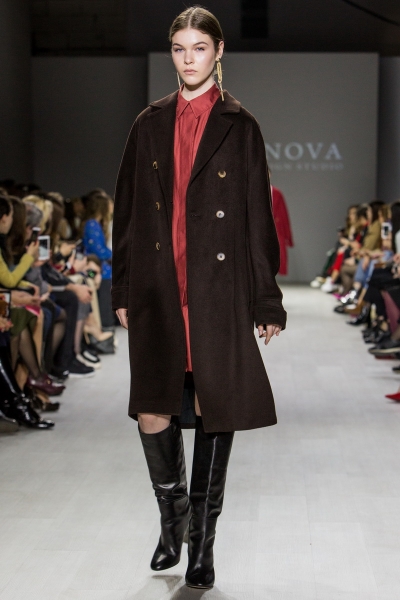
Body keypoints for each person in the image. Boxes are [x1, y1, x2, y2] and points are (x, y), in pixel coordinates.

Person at [112, 6, 286, 591]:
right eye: (179, 48)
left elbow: (257, 218)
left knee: (214, 410)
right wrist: (122, 286)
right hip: (159, 287)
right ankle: (174, 518)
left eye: (199, 48)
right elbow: (127, 215)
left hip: (216, 292)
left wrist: (266, 301)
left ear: (218, 52)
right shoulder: (149, 123)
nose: (189, 59)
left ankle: (201, 544)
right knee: (152, 408)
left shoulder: (240, 125)